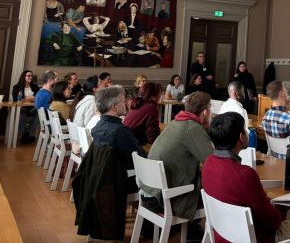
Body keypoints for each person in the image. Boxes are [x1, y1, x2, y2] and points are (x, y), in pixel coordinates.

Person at [203, 112, 290, 243]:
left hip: (223, 235)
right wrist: (280, 205)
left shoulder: (208, 163)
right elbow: (274, 221)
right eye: (245, 129)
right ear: (241, 136)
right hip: (258, 238)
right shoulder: (245, 175)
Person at [75, 85, 143, 241]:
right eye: (124, 101)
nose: (126, 104)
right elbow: (139, 159)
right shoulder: (120, 132)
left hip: (98, 184)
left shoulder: (98, 127)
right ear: (114, 106)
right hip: (115, 184)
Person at [141, 92, 213, 224]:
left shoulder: (176, 121)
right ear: (205, 112)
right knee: (215, 190)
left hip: (149, 192)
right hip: (163, 199)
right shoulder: (192, 128)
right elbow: (213, 162)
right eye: (210, 108)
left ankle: (191, 229)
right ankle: (201, 230)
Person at [123, 82, 162, 146]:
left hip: (126, 141)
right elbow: (152, 138)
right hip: (131, 146)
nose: (161, 96)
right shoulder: (151, 107)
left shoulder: (140, 103)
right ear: (154, 95)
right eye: (160, 93)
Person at [12, 69, 39, 143]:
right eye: (28, 75)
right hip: (21, 108)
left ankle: (28, 133)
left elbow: (38, 98)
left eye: (31, 76)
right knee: (21, 113)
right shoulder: (16, 87)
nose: (30, 77)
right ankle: (24, 133)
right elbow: (16, 99)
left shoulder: (35, 86)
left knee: (40, 114)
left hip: (32, 108)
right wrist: (31, 98)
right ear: (23, 76)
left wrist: (25, 98)